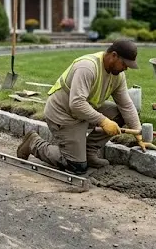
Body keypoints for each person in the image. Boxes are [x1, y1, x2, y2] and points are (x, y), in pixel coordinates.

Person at [17, 39, 148, 174]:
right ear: (114, 55)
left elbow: (126, 105)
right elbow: (76, 104)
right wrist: (103, 121)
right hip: (64, 115)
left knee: (119, 114)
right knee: (76, 166)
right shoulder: (87, 67)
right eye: (124, 64)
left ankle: (89, 152)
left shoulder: (118, 76)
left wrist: (138, 133)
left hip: (85, 112)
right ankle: (34, 143)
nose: (126, 68)